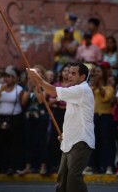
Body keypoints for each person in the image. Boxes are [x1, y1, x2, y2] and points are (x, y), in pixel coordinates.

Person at [26, 63, 95, 192]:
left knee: (73, 179)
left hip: (81, 141)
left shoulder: (82, 89)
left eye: (73, 73)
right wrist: (66, 133)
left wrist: (38, 79)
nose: (69, 76)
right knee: (62, 181)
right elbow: (74, 117)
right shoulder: (75, 90)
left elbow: (52, 92)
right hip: (70, 140)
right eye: (69, 72)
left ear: (82, 77)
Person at [0, 67, 24, 175]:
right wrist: (0, 90)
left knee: (12, 144)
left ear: (14, 78)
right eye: (5, 76)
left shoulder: (19, 89)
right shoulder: (0, 87)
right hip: (1, 118)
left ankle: (11, 166)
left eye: (9, 76)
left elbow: (23, 103)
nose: (6, 79)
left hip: (14, 118)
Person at [83, 64, 115, 175]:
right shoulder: (90, 87)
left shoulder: (109, 87)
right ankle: (93, 166)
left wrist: (99, 85)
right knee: (93, 142)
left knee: (107, 142)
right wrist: (93, 87)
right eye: (95, 72)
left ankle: (108, 166)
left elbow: (106, 97)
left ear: (104, 74)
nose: (97, 74)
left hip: (105, 116)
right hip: (93, 117)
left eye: (99, 72)